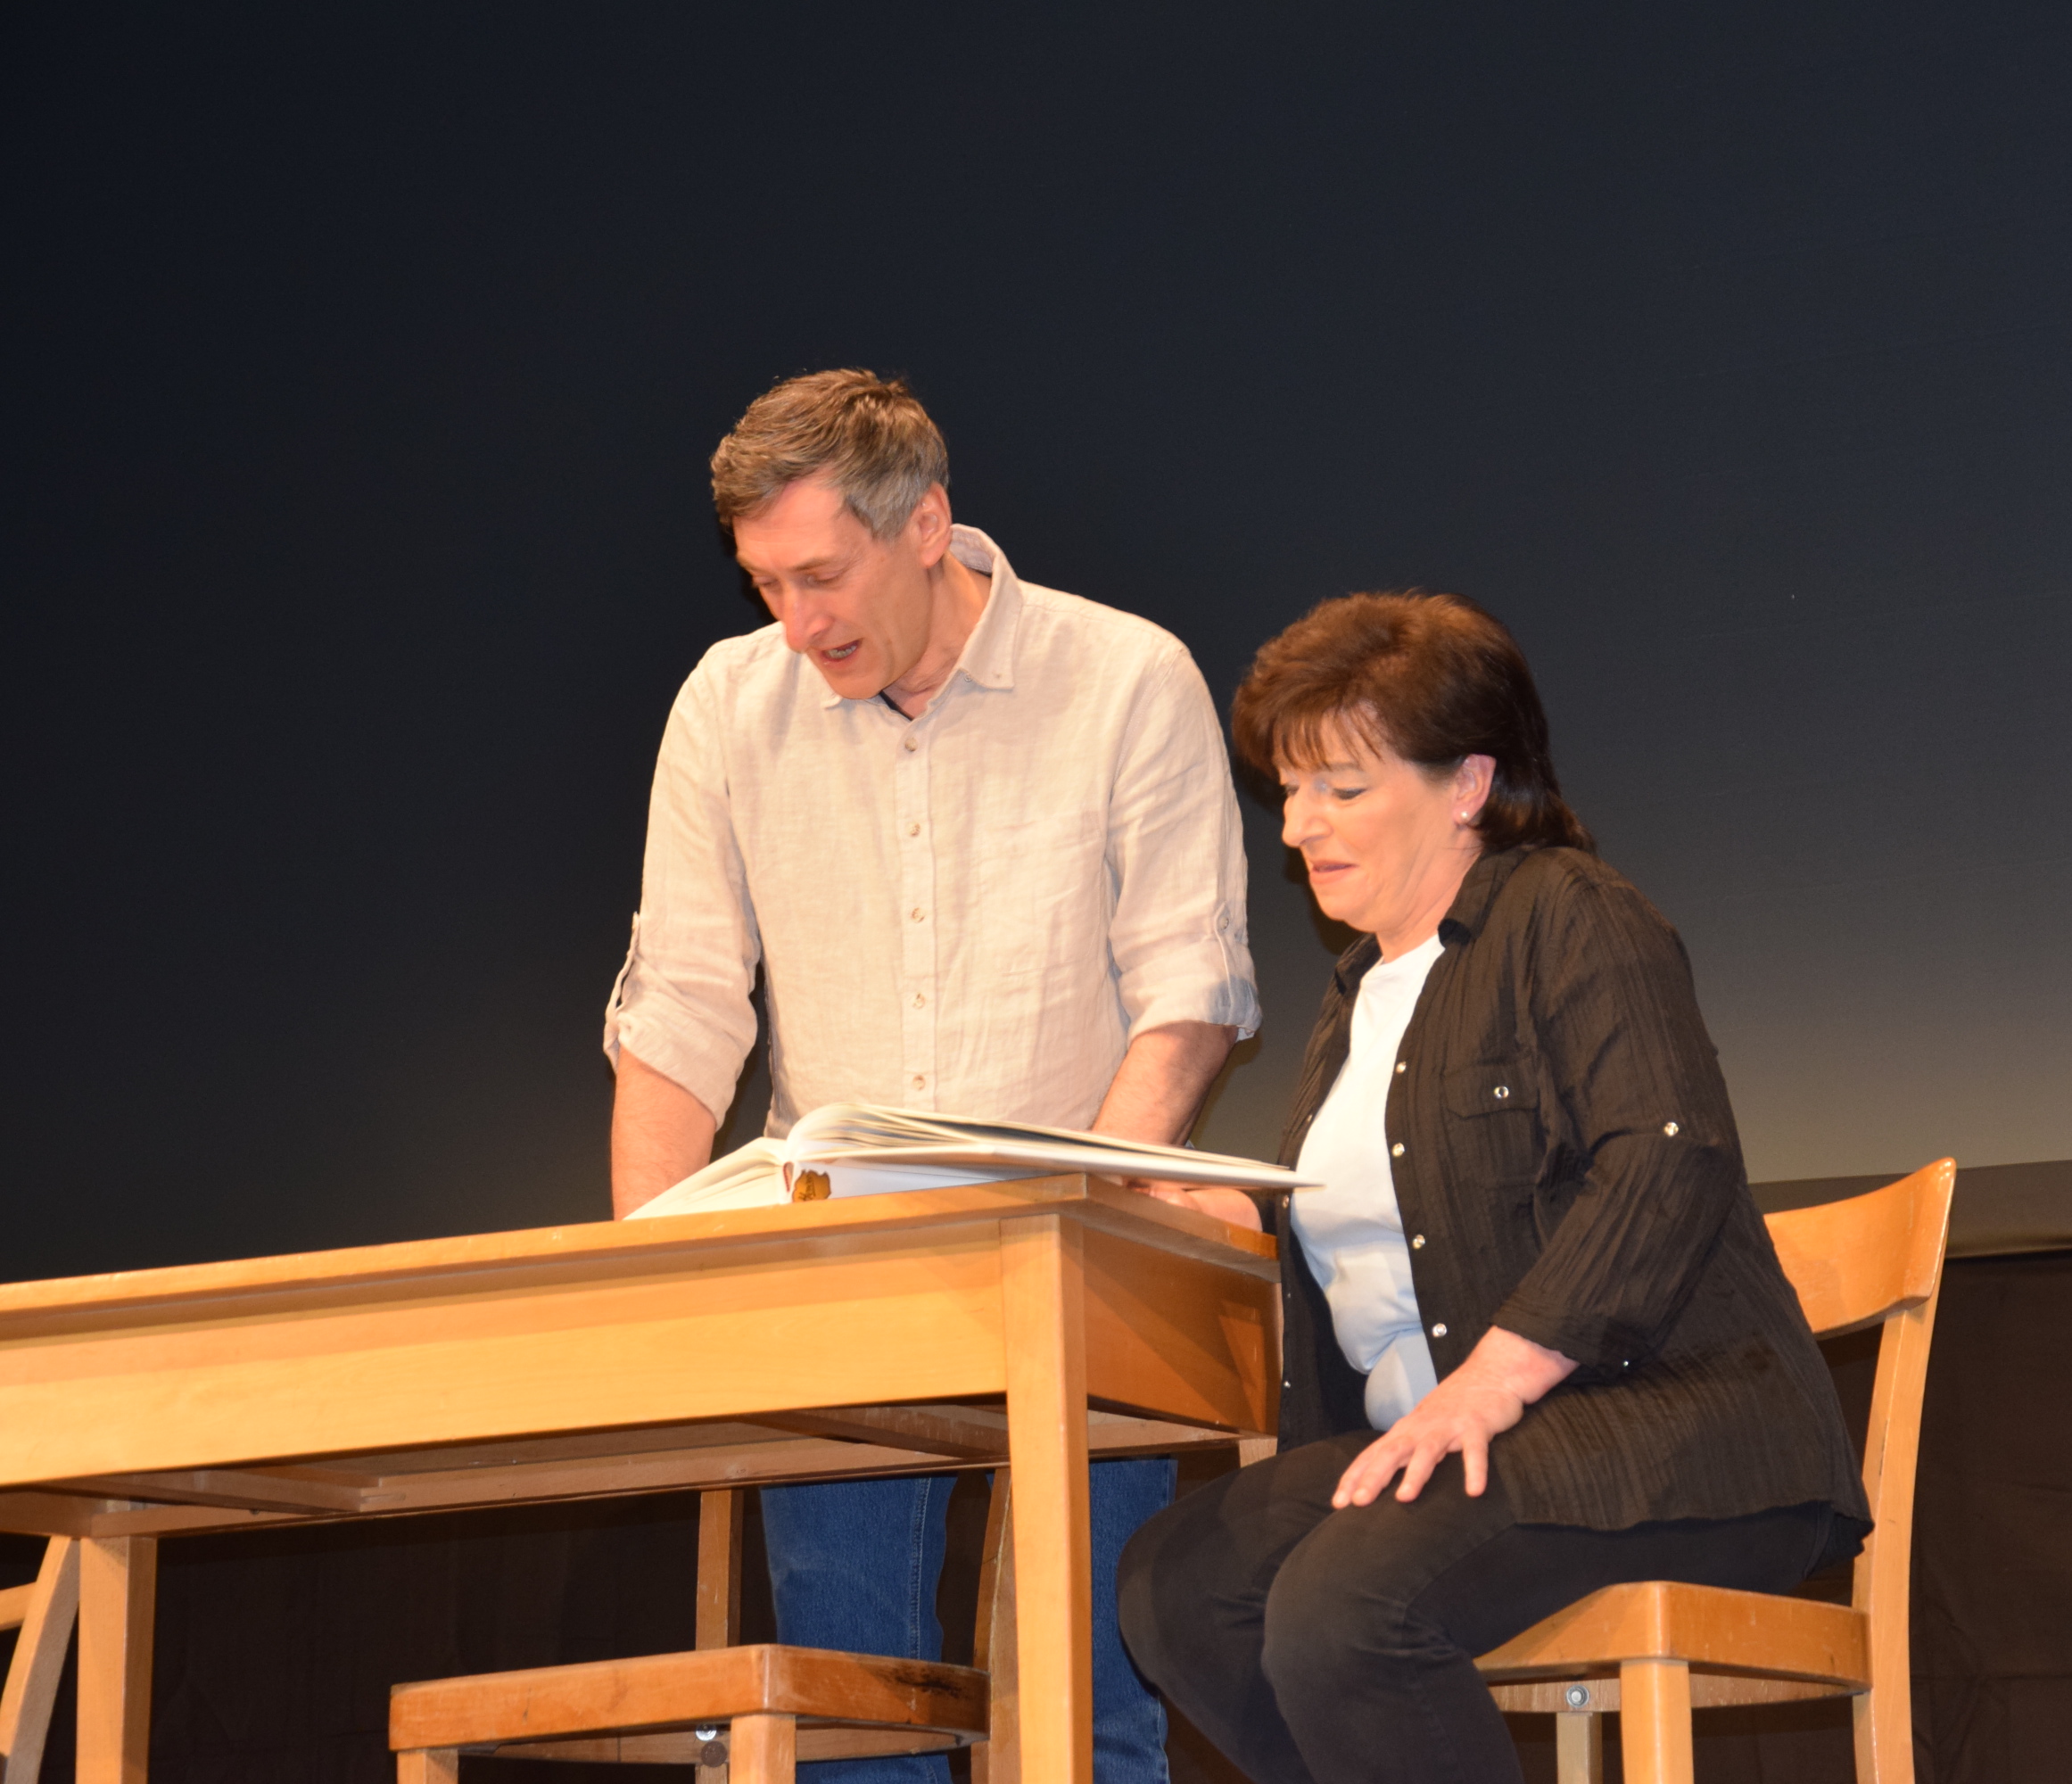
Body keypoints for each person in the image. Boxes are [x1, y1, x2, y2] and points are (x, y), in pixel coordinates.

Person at [605, 369, 1258, 1783]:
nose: (797, 622)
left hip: (1080, 1259)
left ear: (925, 525)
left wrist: (1088, 1220)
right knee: (851, 1724)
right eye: (765, 584)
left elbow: (1188, 992)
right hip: (838, 1272)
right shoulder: (729, 704)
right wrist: (652, 1268)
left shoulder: (1124, 678)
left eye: (821, 576)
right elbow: (682, 1005)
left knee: (1088, 1716)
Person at [1118, 592, 1870, 1784]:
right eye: (1291, 790)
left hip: (1672, 1436)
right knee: (1179, 1587)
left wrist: (1492, 1380)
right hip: (1470, 1454)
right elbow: (1388, 1209)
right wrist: (1229, 1221)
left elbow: (1666, 1154)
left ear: (1468, 783)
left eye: (1342, 787)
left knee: (1343, 1607)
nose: (1299, 825)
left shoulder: (1573, 914)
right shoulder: (1357, 999)